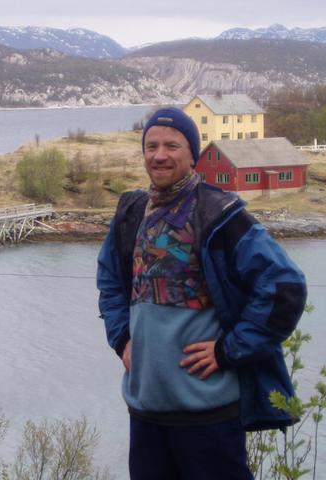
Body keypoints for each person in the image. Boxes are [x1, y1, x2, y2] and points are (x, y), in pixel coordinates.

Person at [96, 108, 307, 479]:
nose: (160, 154)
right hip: (146, 411)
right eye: (152, 145)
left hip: (208, 415)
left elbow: (284, 287)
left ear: (193, 154)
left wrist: (230, 350)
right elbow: (110, 279)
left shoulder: (219, 214)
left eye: (172, 145)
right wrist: (121, 338)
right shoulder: (131, 212)